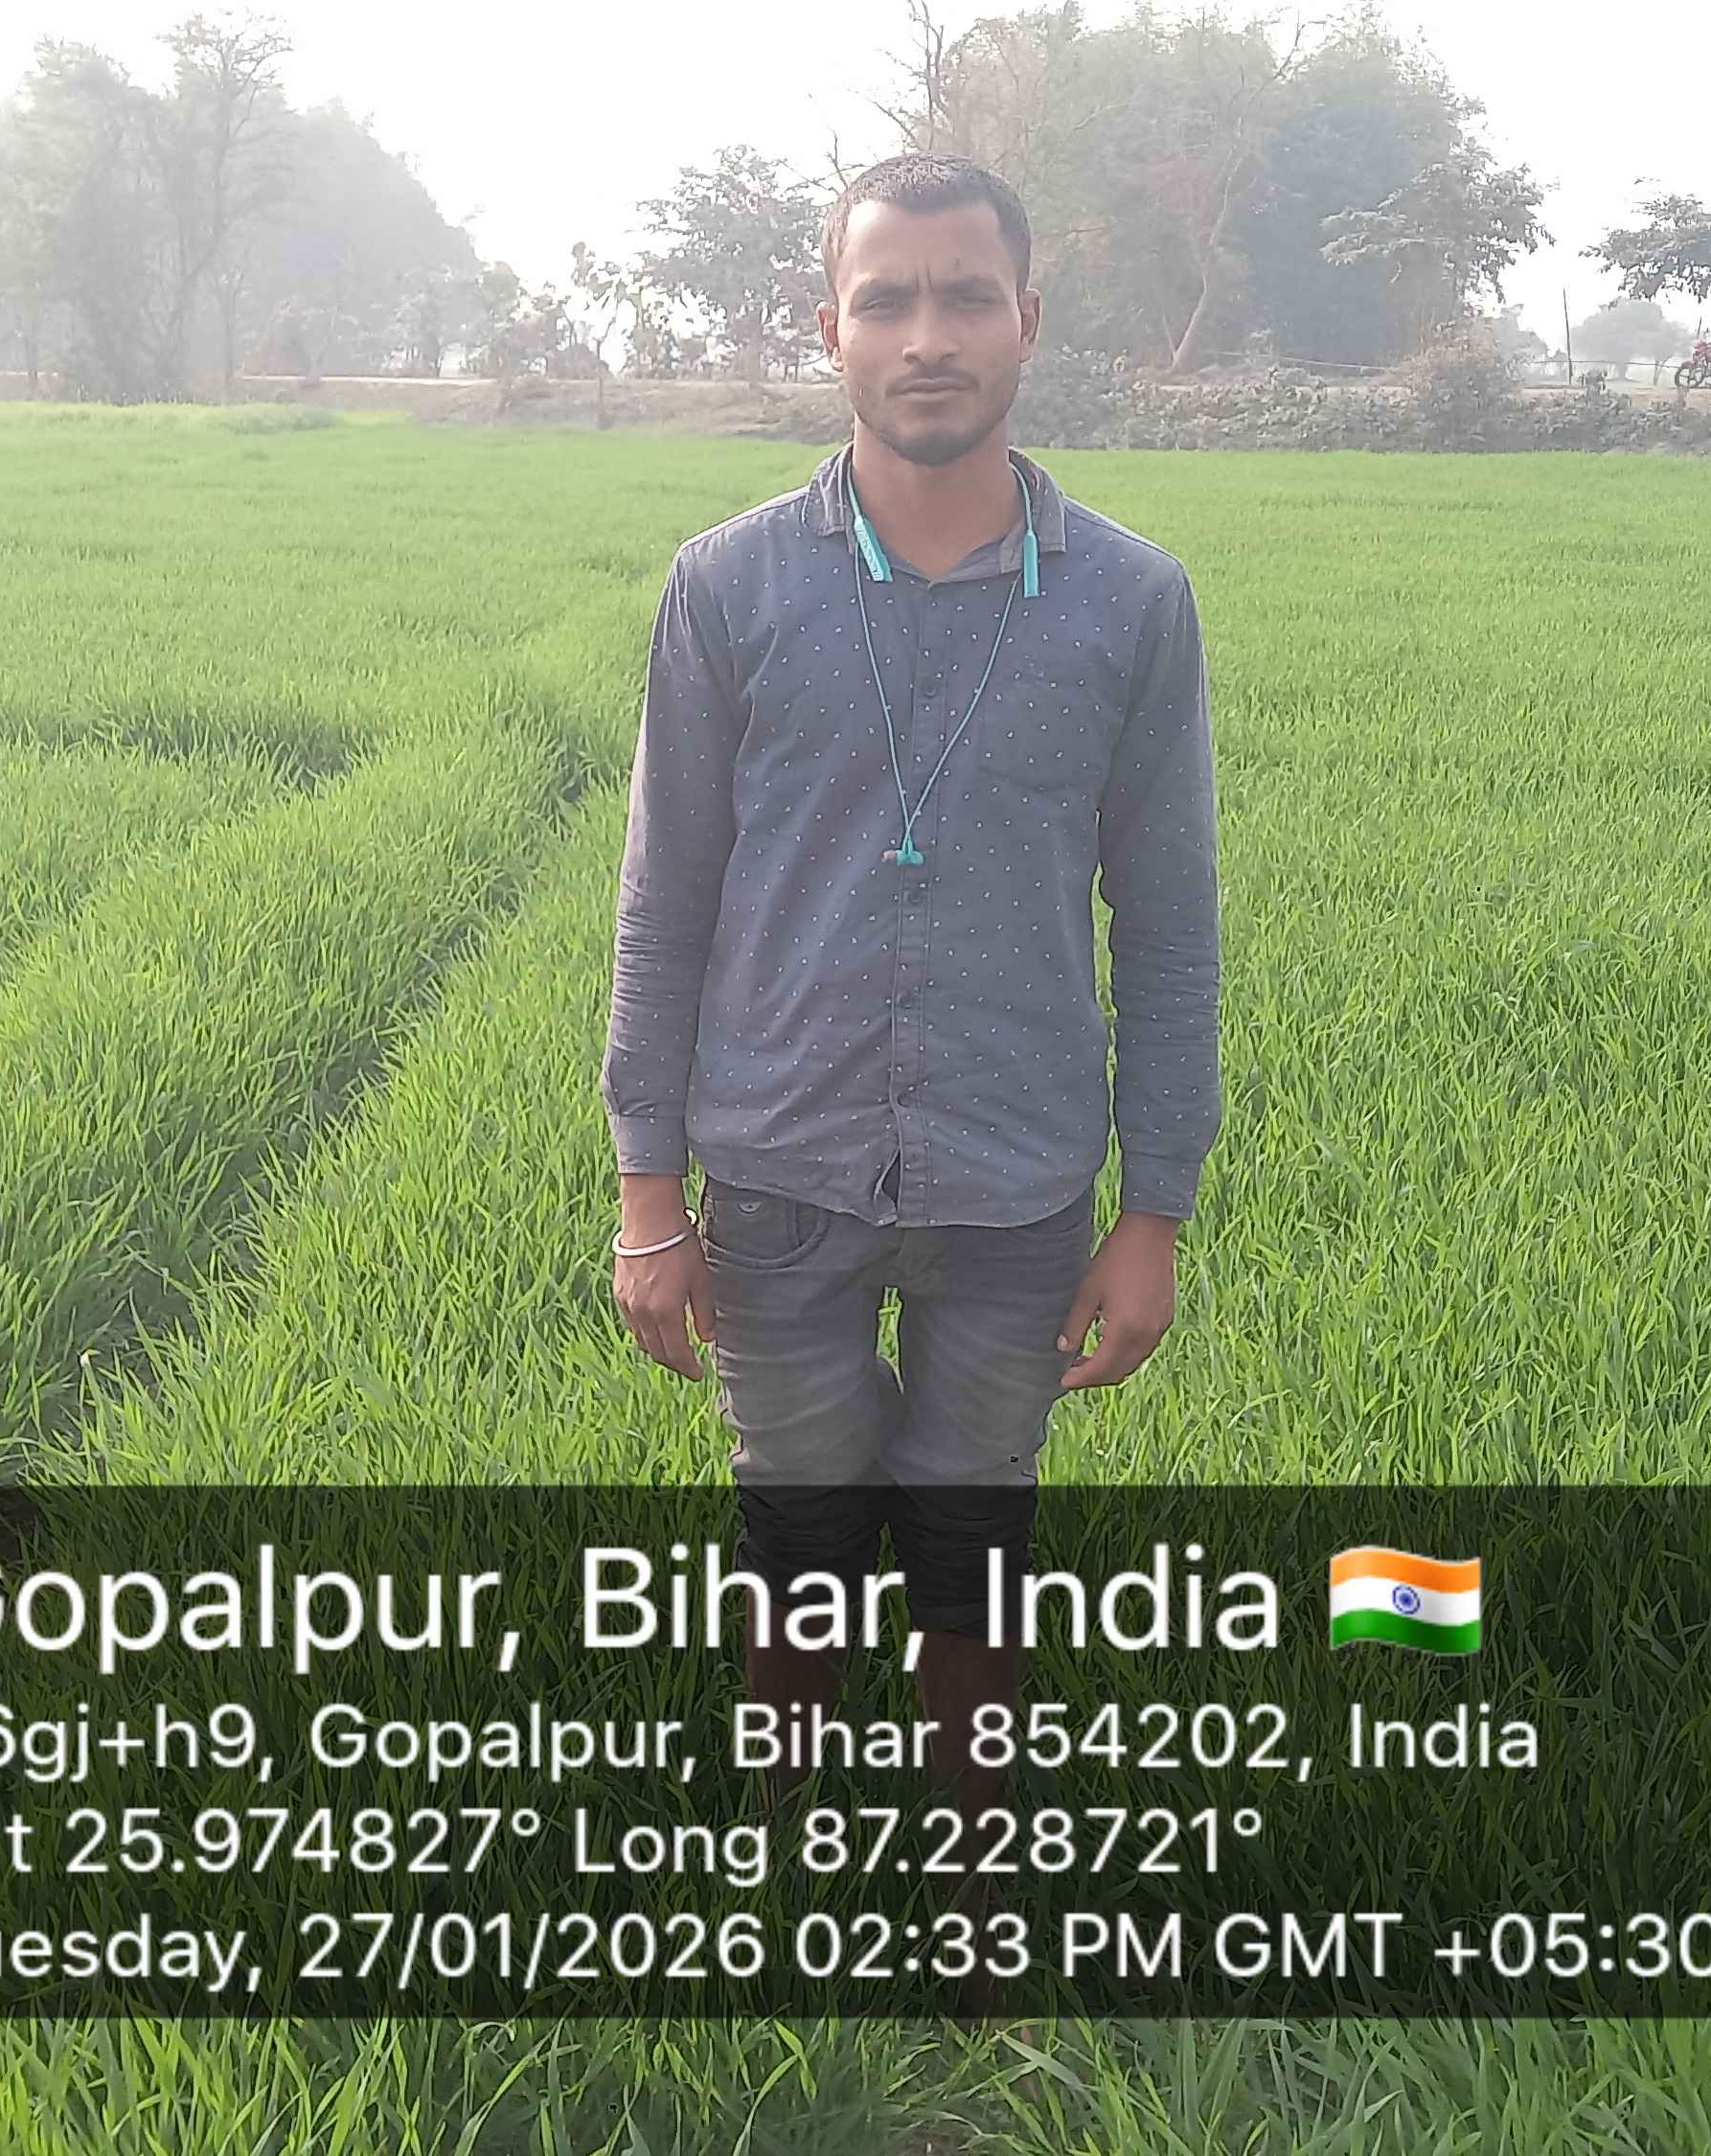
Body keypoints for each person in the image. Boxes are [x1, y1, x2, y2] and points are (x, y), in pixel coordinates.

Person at [599, 152, 1222, 1898]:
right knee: (794, 1527)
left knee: (975, 1538)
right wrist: (648, 1198)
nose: (926, 335)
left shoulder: (1131, 601)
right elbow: (664, 902)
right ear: (832, 329)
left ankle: (974, 1876)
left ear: (1027, 320)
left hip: (1018, 1183)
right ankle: (787, 1859)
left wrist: (1156, 1211)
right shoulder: (728, 588)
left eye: (965, 296)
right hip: (779, 1173)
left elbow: (1171, 923)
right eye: (887, 300)